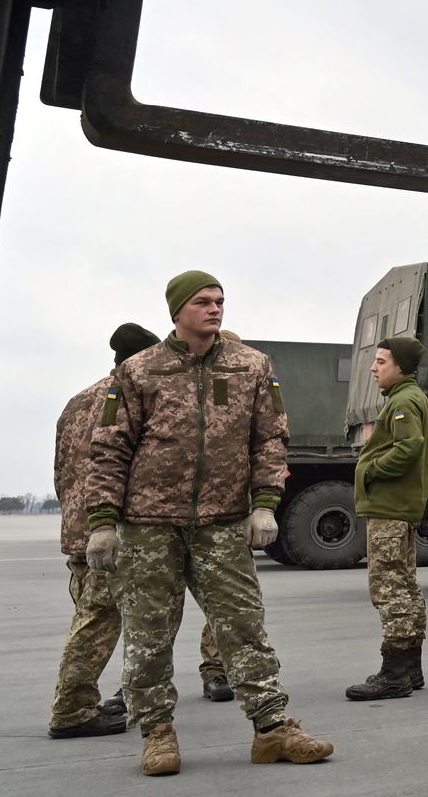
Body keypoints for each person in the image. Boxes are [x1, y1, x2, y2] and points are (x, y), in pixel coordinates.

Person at [84, 271, 333, 776]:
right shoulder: (138, 372)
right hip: (149, 522)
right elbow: (108, 449)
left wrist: (265, 504)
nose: (215, 309)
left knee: (243, 625)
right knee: (149, 631)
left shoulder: (252, 366)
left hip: (222, 521)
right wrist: (103, 521)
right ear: (177, 311)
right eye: (202, 302)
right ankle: (156, 732)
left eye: (220, 301)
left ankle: (272, 729)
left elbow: (269, 439)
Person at [46, 322, 160, 738]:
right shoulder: (134, 400)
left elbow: (61, 473)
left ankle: (122, 694)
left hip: (78, 528)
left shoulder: (78, 401)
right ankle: (73, 710)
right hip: (112, 530)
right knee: (98, 621)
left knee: (92, 615)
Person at [345, 336, 428, 701]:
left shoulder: (403, 401)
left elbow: (409, 447)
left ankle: (394, 674)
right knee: (405, 584)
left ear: (400, 366)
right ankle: (411, 668)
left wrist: (370, 470)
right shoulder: (412, 398)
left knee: (389, 587)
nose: (373, 368)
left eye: (381, 361)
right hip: (399, 507)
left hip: (390, 507)